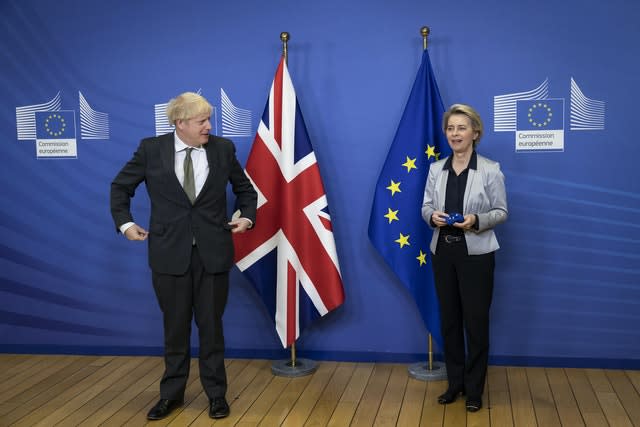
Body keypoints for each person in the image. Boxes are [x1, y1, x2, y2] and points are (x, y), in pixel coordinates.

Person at [110, 92, 257, 420]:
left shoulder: (223, 149)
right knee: (174, 329)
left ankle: (216, 395)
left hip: (213, 255)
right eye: (201, 121)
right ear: (180, 123)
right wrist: (125, 223)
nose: (209, 126)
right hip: (168, 255)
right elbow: (120, 188)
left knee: (211, 328)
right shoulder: (151, 150)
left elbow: (246, 191)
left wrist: (246, 216)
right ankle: (171, 395)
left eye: (209, 120)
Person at [421, 104, 507, 412]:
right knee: (450, 323)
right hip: (443, 253)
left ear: (475, 133)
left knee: (476, 323)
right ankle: (454, 384)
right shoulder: (435, 169)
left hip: (477, 257)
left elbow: (501, 211)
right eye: (450, 128)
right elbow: (425, 208)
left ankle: (474, 390)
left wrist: (476, 220)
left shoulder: (490, 169)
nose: (455, 134)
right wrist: (434, 217)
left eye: (461, 128)